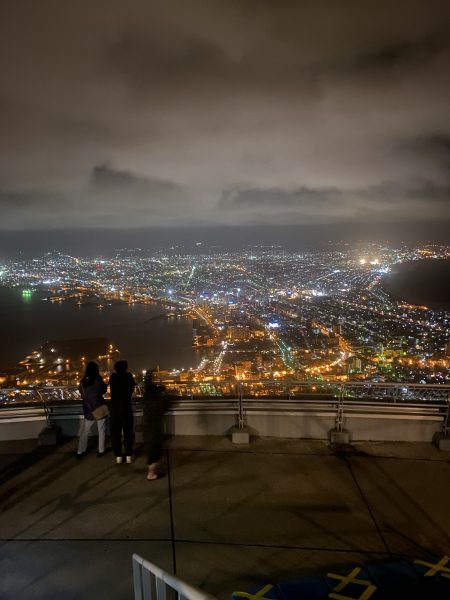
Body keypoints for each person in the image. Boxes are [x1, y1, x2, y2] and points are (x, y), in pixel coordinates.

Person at [142, 370, 169, 480]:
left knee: (151, 449)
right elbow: (164, 406)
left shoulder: (146, 399)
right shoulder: (157, 401)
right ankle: (151, 474)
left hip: (147, 426)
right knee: (154, 450)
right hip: (155, 427)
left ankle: (151, 471)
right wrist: (164, 394)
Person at [77, 361, 108, 458]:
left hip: (88, 408)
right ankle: (101, 450)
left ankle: (80, 451)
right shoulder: (98, 380)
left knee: (85, 431)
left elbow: (81, 393)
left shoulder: (82, 382)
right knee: (101, 430)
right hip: (99, 407)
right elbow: (103, 390)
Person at [108, 360, 136, 464]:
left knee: (115, 434)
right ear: (126, 368)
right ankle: (129, 455)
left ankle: (118, 456)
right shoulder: (129, 376)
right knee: (128, 432)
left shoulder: (113, 377)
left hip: (115, 410)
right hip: (126, 408)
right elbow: (132, 388)